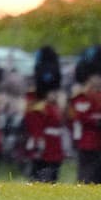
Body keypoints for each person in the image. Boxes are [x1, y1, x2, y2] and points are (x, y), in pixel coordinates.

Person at [68, 44, 101, 184]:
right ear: (89, 77)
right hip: (87, 141)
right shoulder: (82, 96)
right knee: (87, 174)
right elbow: (81, 117)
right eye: (98, 76)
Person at [23, 46, 66, 183]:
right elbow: (35, 127)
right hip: (44, 149)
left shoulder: (54, 106)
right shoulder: (39, 107)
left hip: (55, 148)